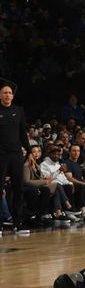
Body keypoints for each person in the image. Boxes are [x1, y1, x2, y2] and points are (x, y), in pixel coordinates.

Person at [0, 84, 30, 232]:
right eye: (4, 93)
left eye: (10, 93)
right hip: (1, 155)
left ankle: (18, 223)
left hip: (16, 154)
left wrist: (29, 150)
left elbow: (22, 132)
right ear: (0, 96)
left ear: (12, 96)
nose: (7, 95)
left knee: (19, 189)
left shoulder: (18, 111)